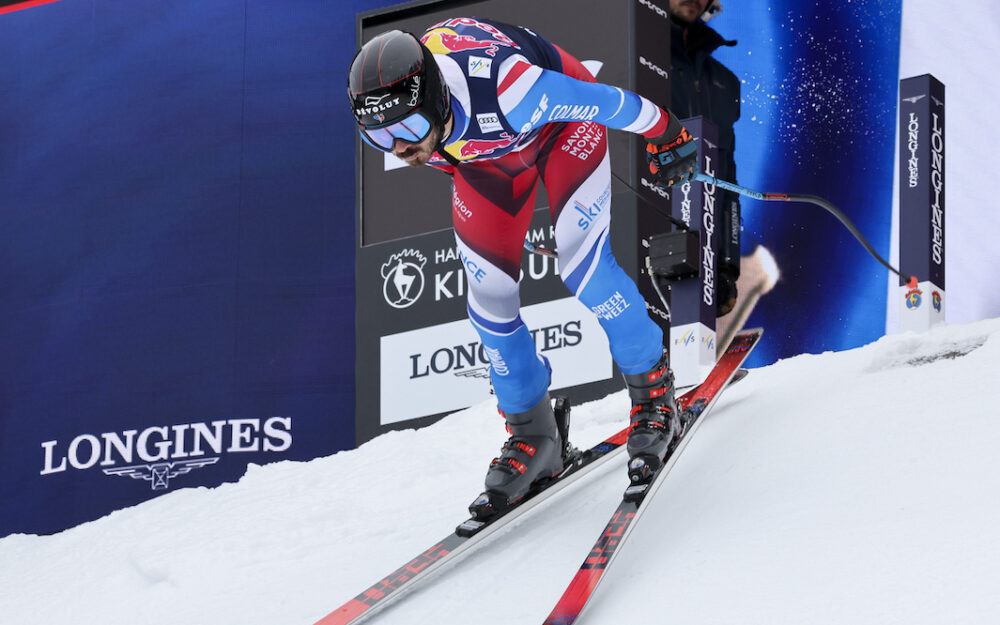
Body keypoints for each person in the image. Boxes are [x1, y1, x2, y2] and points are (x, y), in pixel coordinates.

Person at [348, 18, 697, 519]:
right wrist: (410, 130)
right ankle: (535, 437)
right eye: (378, 138)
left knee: (586, 269)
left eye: (407, 129)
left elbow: (608, 104)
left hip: (561, 130)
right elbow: (415, 131)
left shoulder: (512, 89)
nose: (400, 149)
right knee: (488, 305)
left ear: (436, 100)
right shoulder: (414, 113)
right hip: (485, 164)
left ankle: (656, 395)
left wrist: (668, 134)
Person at [669, 0, 742, 316]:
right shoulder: (631, 53)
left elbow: (727, 178)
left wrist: (727, 264)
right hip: (639, 229)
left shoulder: (725, 81)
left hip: (701, 242)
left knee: (690, 348)